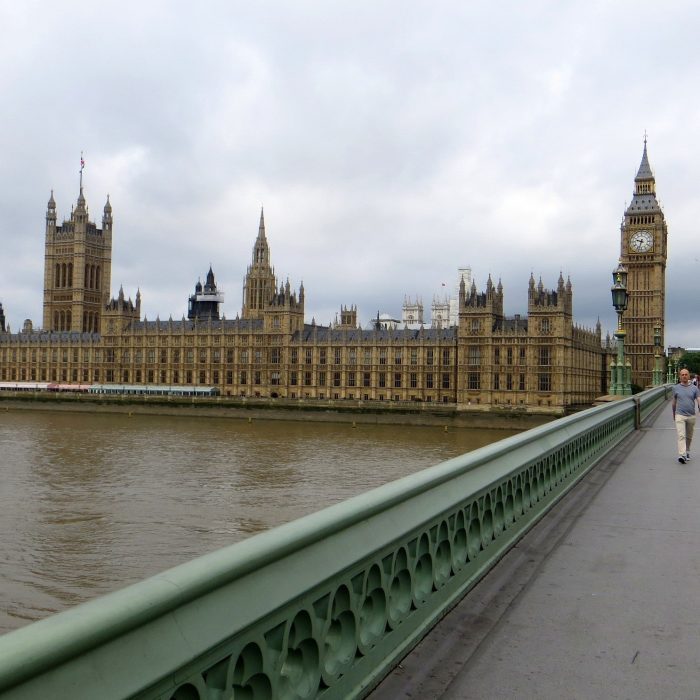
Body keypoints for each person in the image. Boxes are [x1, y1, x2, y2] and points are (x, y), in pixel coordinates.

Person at [672, 368, 700, 463]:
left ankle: (687, 451)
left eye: (686, 374)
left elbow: (698, 399)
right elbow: (674, 402)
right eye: (682, 374)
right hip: (679, 415)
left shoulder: (694, 388)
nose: (684, 376)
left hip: (691, 415)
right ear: (680, 376)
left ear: (689, 376)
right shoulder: (676, 388)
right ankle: (682, 455)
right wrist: (673, 414)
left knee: (689, 436)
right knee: (681, 435)